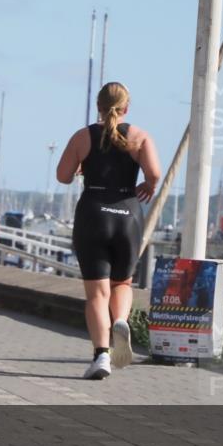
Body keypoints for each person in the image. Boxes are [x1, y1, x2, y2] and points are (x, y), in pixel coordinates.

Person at [56, 81, 161, 380]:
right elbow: (154, 173)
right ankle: (121, 321)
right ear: (126, 108)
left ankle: (101, 355)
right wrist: (148, 186)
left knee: (96, 294)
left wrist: (82, 168)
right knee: (123, 284)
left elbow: (62, 176)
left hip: (93, 213)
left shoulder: (83, 136)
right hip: (128, 214)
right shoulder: (140, 136)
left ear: (98, 107)